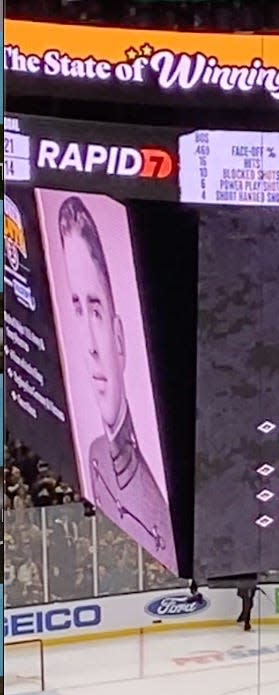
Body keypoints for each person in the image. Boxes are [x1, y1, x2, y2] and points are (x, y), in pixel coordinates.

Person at [57, 196, 174, 560]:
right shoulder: (94, 455)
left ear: (119, 337)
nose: (91, 345)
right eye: (77, 308)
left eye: (95, 309)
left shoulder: (161, 509)